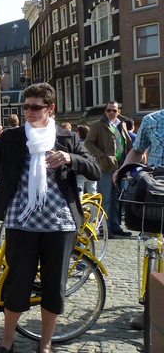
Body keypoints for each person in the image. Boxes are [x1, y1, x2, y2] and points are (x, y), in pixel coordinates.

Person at [0, 83, 101, 353]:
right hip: (21, 222)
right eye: (26, 107)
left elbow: (95, 169)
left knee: (54, 285)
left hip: (60, 224)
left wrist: (71, 158)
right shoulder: (12, 137)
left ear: (50, 109)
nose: (30, 112)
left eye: (36, 107)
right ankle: (7, 342)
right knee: (17, 283)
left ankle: (45, 344)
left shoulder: (66, 138)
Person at [114, 108, 164, 330]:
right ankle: (150, 308)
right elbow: (137, 150)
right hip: (156, 192)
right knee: (152, 247)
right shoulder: (151, 120)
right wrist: (123, 169)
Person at [84, 101, 133, 238]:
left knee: (117, 198)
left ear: (119, 111)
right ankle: (104, 229)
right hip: (106, 167)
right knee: (105, 198)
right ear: (105, 111)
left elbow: (126, 143)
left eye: (114, 110)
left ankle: (115, 226)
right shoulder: (97, 125)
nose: (111, 113)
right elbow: (88, 143)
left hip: (121, 167)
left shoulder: (121, 124)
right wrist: (101, 156)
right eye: (109, 110)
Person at [74, 124, 97, 196]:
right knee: (92, 191)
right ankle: (94, 206)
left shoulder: (77, 144)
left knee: (79, 193)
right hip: (92, 169)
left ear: (78, 132)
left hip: (81, 170)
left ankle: (80, 207)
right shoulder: (92, 143)